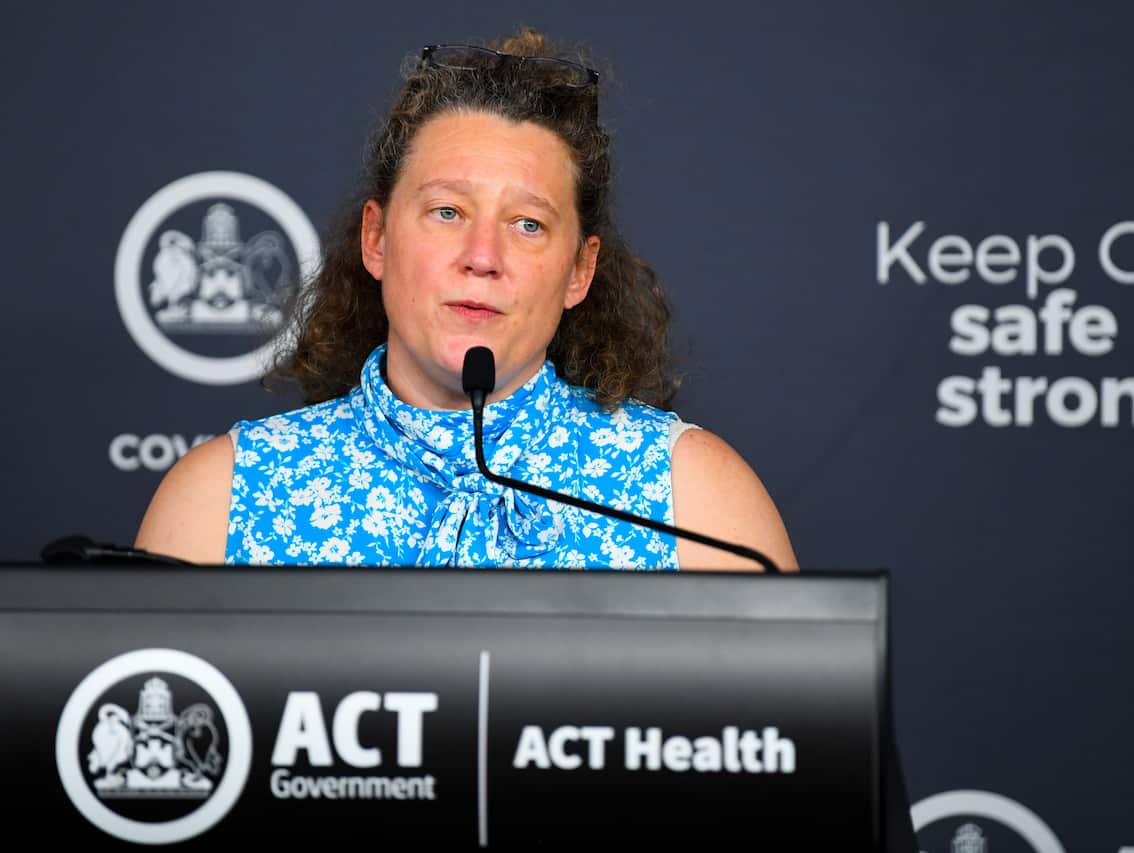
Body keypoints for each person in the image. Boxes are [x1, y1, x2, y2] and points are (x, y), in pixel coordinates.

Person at [134, 28, 798, 572]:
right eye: (448, 212)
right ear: (376, 239)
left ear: (578, 271)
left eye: (528, 224)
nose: (482, 256)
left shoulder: (699, 505)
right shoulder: (219, 499)